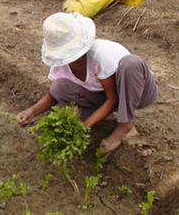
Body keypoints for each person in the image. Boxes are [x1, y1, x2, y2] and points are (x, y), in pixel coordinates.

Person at [17, 12, 158, 153]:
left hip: (137, 93)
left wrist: (84, 127)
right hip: (105, 96)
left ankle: (125, 125)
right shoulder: (60, 64)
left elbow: (112, 99)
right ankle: (105, 119)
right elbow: (53, 95)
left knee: (131, 63)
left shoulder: (101, 56)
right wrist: (32, 111)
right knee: (59, 86)